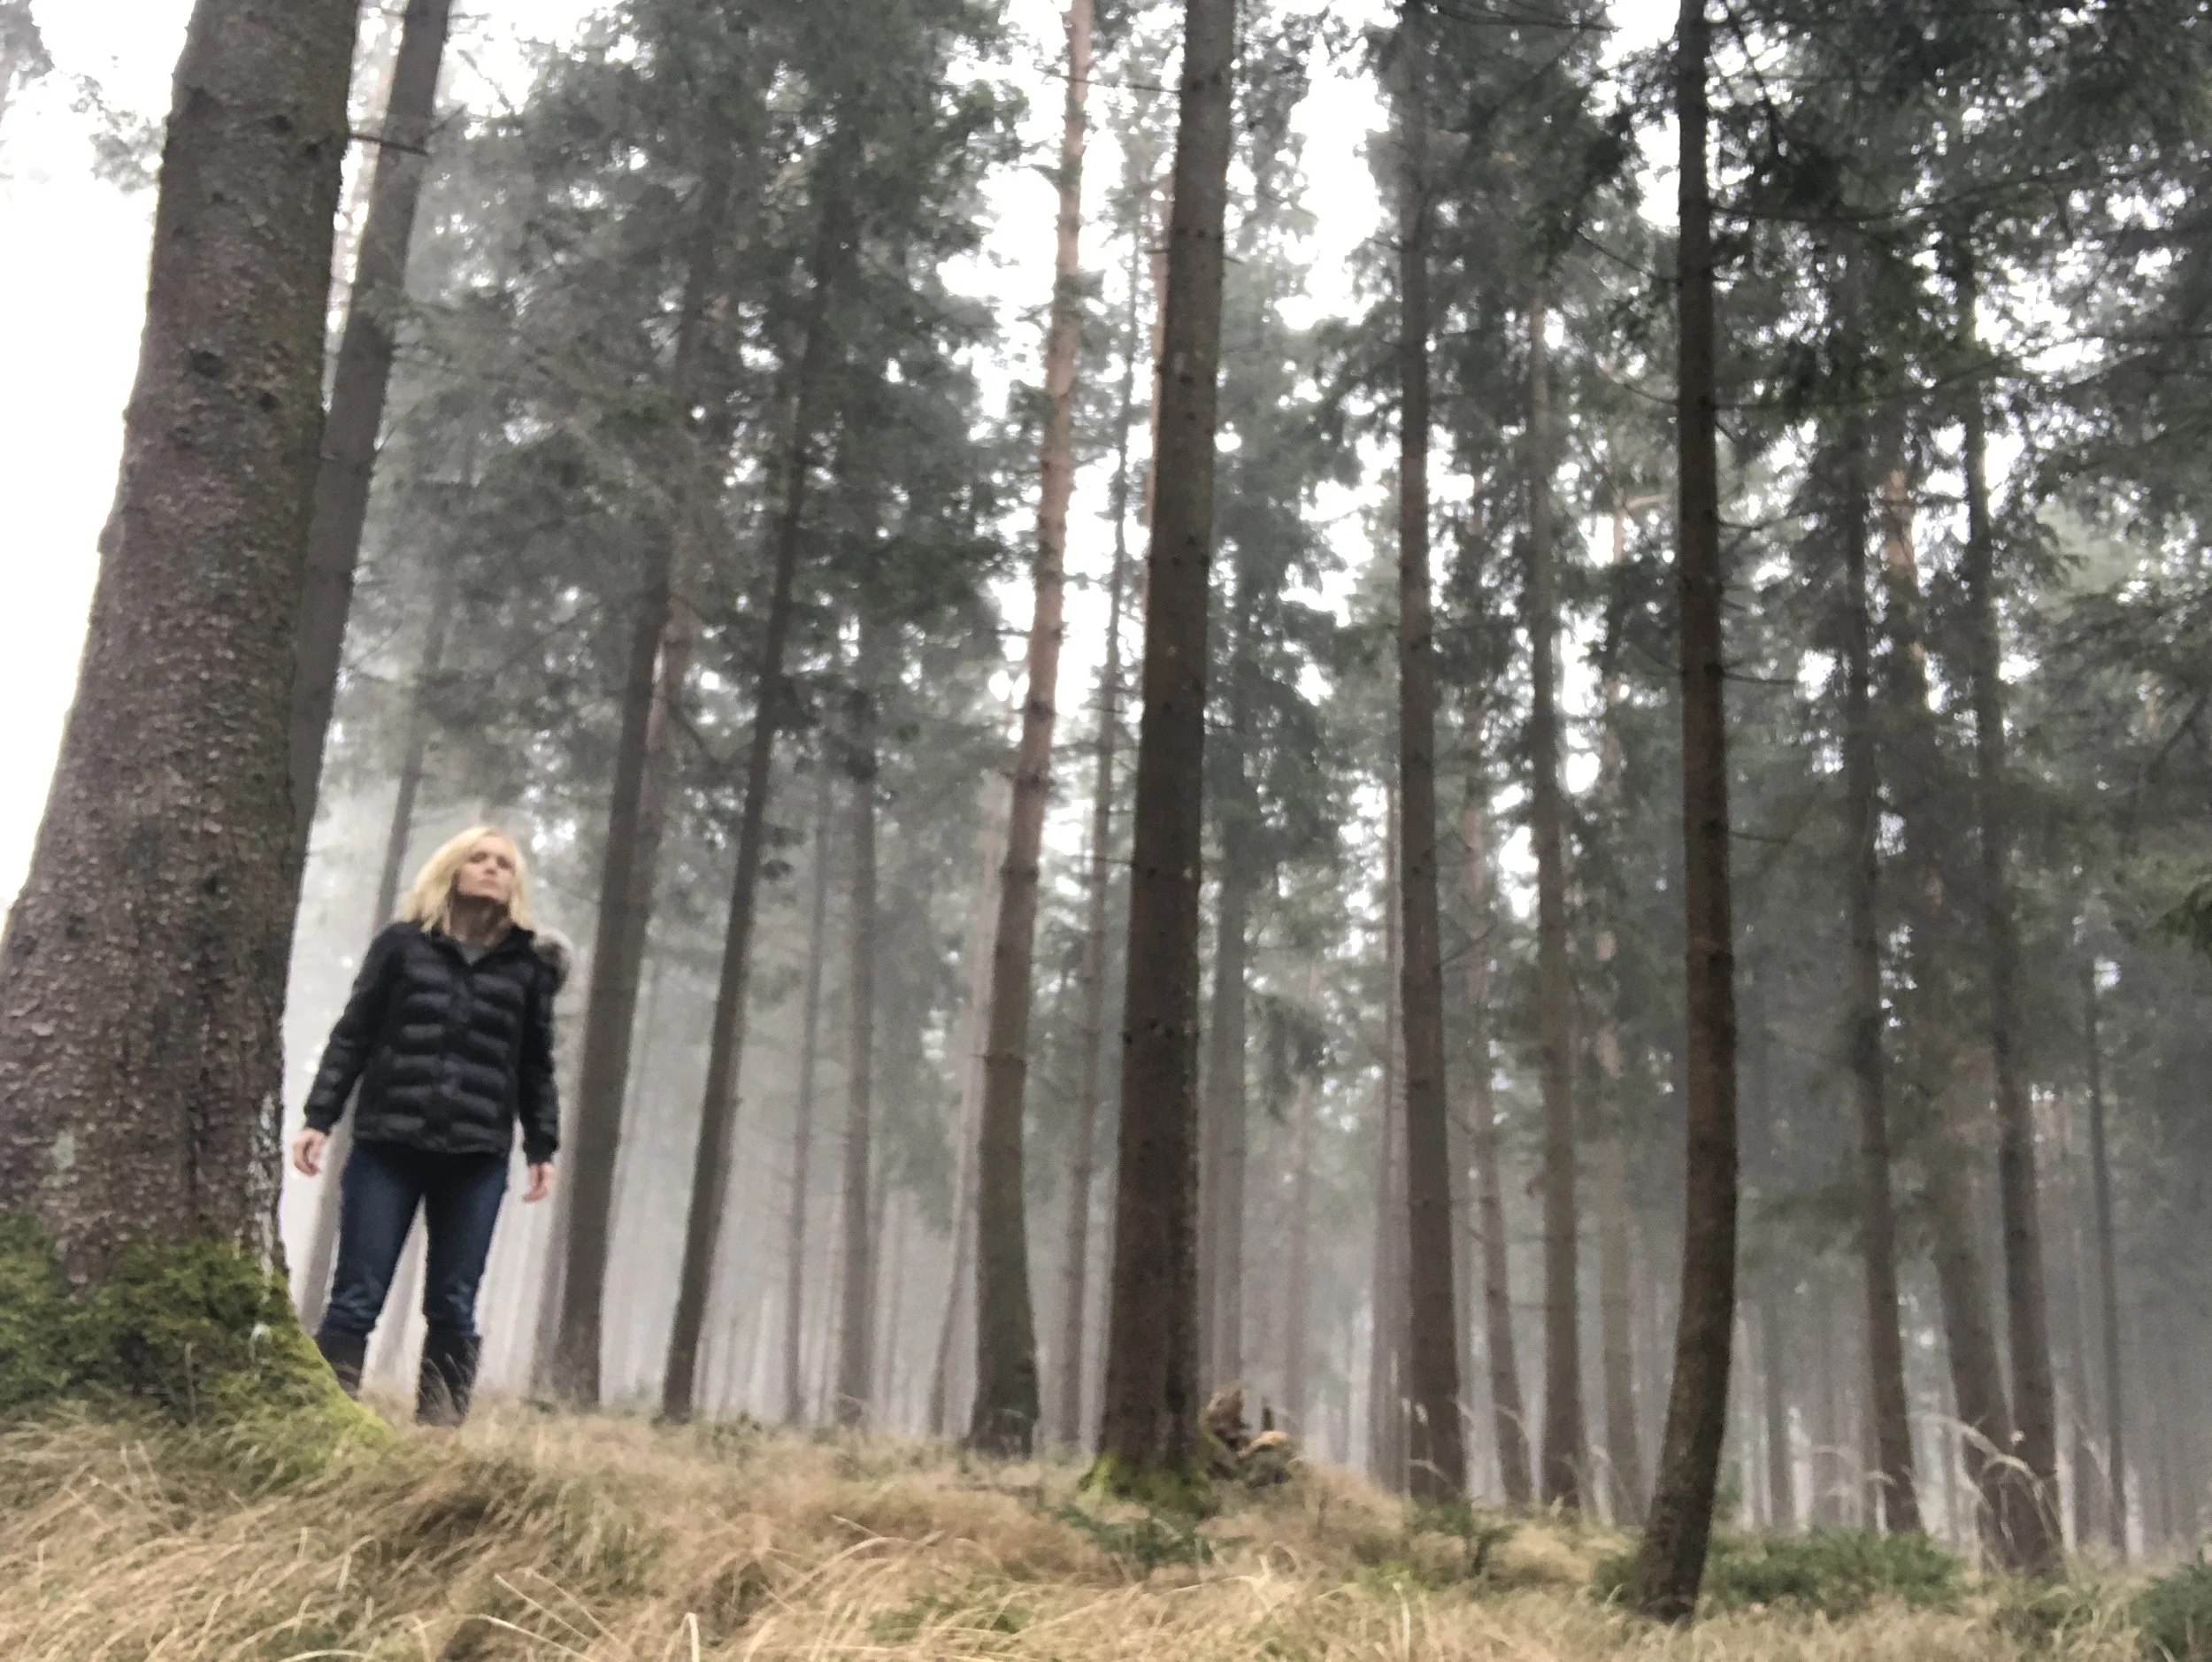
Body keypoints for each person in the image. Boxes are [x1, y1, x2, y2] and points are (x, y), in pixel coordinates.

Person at [292, 827, 568, 1426]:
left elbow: (535, 1064)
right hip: (387, 1145)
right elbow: (354, 1033)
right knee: (356, 1296)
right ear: (452, 870)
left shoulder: (527, 968)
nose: (492, 869)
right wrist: (320, 1116)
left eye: (504, 863)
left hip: (475, 1157)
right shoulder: (401, 946)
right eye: (479, 858)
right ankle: (326, 1425)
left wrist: (542, 1145)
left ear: (514, 884)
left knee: (453, 1304)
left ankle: (439, 1440)